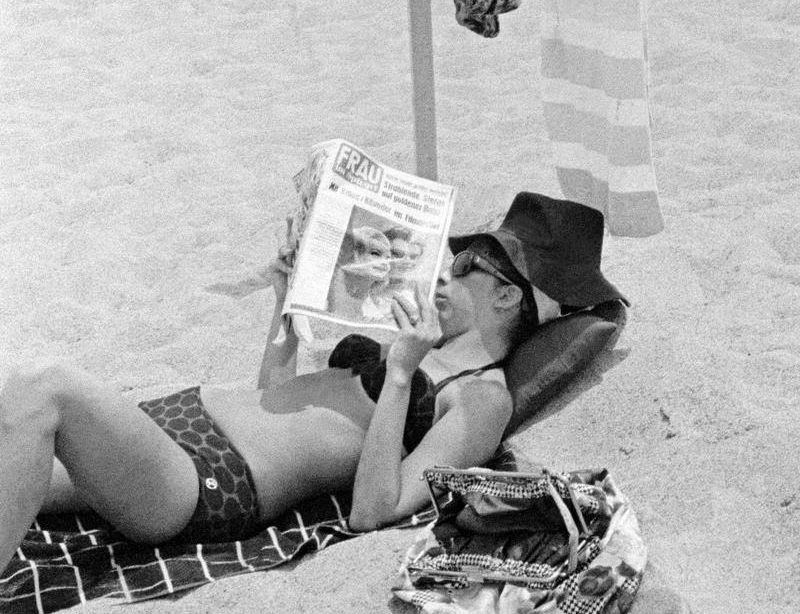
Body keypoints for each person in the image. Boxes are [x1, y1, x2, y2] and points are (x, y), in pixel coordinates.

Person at [0, 193, 624, 574]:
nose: (444, 271)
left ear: (508, 295)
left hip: (207, 480)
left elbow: (374, 509)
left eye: (464, 264)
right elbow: (276, 394)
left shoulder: (480, 396)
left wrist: (402, 372)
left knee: (45, 388)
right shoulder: (412, 337)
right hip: (176, 422)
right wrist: (286, 311)